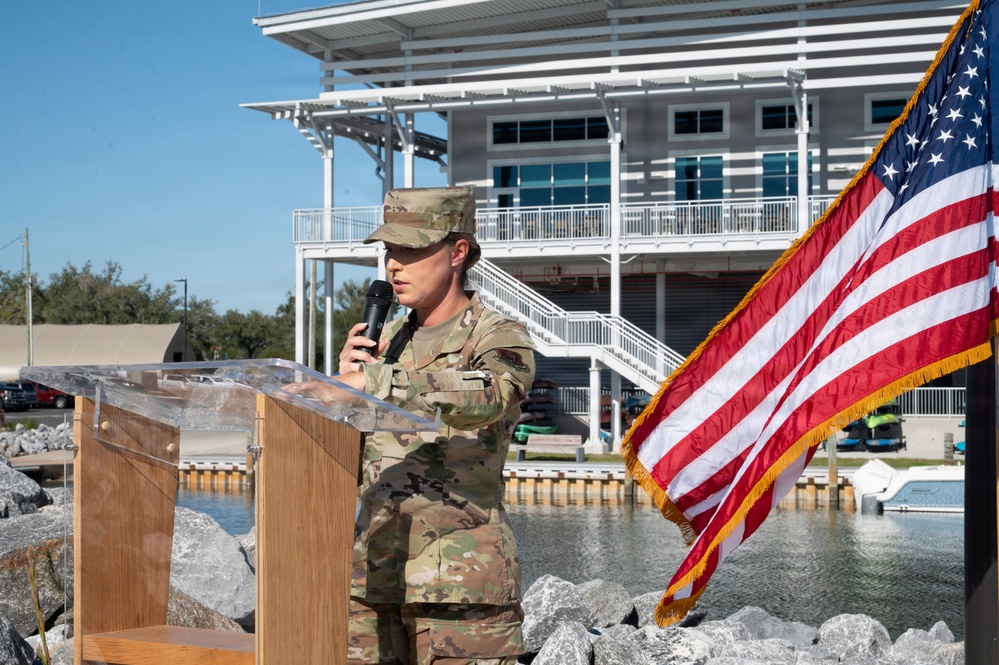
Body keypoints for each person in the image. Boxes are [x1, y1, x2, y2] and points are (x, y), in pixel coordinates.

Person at [289, 186, 536, 665]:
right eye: (389, 251)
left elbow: (492, 393)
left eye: (411, 249)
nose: (393, 266)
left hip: (459, 588)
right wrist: (346, 397)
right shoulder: (388, 342)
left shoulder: (496, 334)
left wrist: (376, 381)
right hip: (373, 580)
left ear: (458, 252)